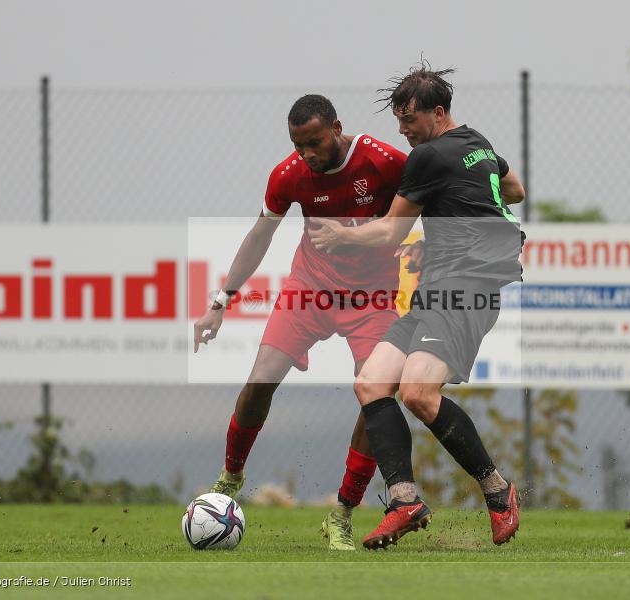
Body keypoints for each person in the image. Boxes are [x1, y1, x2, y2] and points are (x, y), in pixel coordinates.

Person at [308, 65, 526, 549]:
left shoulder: (427, 156)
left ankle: (497, 490)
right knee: (371, 383)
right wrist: (449, 233)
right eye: (399, 121)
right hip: (440, 287)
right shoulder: (477, 143)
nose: (404, 130)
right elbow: (513, 190)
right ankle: (404, 500)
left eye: (410, 120)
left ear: (438, 112)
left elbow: (390, 230)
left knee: (419, 394)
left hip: (465, 289)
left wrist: (343, 234)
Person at [193, 94, 411, 550]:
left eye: (314, 143)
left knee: (377, 397)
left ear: (337, 128)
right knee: (260, 380)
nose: (307, 154)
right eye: (298, 146)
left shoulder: (383, 161)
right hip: (309, 290)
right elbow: (260, 235)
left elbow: (431, 197)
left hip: (372, 299)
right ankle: (230, 478)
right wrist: (221, 300)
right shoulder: (288, 175)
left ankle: (342, 514)